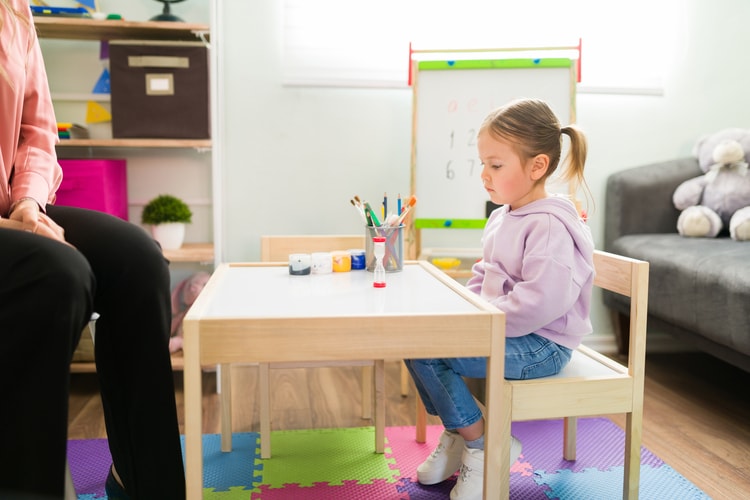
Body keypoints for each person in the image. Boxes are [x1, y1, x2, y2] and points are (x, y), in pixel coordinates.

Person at [0, 1, 186, 498]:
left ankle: (144, 483)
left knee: (139, 260)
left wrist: (27, 205)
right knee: (56, 272)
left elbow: (36, 131)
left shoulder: (14, 9)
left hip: (15, 206)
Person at [404, 98, 594, 500]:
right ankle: (461, 432)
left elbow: (540, 302)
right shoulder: (502, 215)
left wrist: (479, 326)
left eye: (496, 165)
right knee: (414, 339)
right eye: (483, 164)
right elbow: (484, 276)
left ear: (536, 166)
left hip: (542, 344)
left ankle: (484, 444)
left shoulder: (547, 225)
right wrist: (462, 314)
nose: (484, 176)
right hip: (505, 330)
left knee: (428, 353)